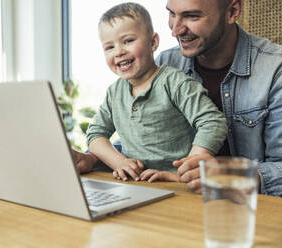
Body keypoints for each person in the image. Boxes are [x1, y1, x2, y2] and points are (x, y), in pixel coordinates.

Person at [74, 0, 282, 196]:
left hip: (244, 207)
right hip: (161, 193)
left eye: (192, 16)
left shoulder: (275, 70)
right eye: (171, 14)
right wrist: (94, 160)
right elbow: (148, 142)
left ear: (232, 12)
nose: (174, 30)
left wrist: (229, 174)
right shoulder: (165, 62)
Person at [81, 2, 227, 183]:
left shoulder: (175, 82)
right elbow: (95, 134)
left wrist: (186, 171)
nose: (118, 51)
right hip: (138, 185)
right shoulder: (114, 92)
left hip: (179, 184)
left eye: (128, 41)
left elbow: (213, 122)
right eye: (109, 47)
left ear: (153, 42)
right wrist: (121, 163)